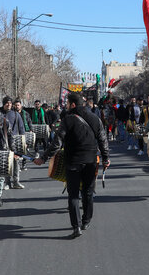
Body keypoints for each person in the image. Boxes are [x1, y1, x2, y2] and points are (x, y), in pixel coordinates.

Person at [34, 92, 110, 238]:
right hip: (91, 161)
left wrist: (43, 159)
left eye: (67, 103)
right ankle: (86, 221)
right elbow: (103, 140)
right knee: (88, 192)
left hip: (73, 162)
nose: (66, 106)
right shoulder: (95, 118)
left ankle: (76, 227)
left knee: (73, 195)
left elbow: (57, 144)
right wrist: (106, 158)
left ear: (73, 105)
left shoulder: (67, 120)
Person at [1, 96, 25, 189]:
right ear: (3, 104)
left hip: (14, 141)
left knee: (15, 162)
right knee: (5, 162)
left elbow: (21, 128)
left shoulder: (15, 114)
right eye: (7, 103)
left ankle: (16, 181)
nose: (9, 104)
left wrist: (24, 141)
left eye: (10, 103)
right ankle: (7, 183)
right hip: (2, 141)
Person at [14, 99, 33, 170]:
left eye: (18, 105)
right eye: (15, 105)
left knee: (24, 149)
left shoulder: (25, 114)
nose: (17, 106)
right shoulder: (12, 114)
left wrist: (31, 129)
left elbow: (29, 122)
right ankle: (17, 165)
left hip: (24, 133)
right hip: (16, 134)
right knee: (16, 150)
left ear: (21, 106)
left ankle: (24, 164)